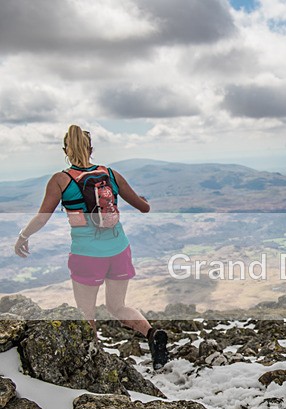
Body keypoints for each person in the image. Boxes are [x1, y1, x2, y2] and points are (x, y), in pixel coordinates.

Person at [14, 125, 170, 370]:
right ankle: (151, 334)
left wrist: (23, 236)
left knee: (87, 312)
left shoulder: (60, 180)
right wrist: (144, 201)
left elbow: (42, 217)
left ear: (66, 150)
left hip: (86, 255)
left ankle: (95, 361)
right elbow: (144, 207)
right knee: (117, 305)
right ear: (91, 148)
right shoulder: (110, 174)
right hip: (119, 249)